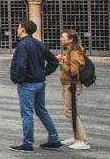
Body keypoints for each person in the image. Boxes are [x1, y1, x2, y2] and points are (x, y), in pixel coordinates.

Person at [9, 19, 62, 152]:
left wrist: (19, 79)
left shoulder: (23, 45)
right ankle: (54, 139)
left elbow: (21, 64)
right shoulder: (39, 44)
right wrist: (43, 73)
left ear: (23, 29)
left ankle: (27, 144)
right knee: (42, 111)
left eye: (18, 27)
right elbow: (54, 61)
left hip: (28, 84)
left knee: (27, 113)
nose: (17, 29)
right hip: (40, 82)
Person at [58, 29, 90, 150]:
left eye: (63, 37)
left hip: (72, 85)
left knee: (71, 111)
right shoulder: (70, 51)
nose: (61, 39)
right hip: (67, 84)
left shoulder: (75, 52)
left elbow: (73, 71)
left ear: (70, 39)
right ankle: (76, 136)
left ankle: (82, 140)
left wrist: (62, 61)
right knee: (70, 111)